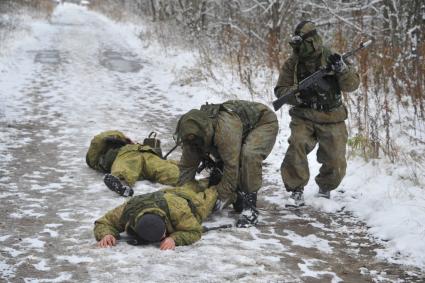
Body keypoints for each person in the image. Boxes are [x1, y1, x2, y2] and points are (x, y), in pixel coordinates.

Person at [274, 21, 360, 207]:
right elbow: (280, 90)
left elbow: (352, 85)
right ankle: (296, 189)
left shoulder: (334, 58)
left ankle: (325, 189)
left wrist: (342, 70)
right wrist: (298, 95)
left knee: (336, 160)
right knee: (297, 145)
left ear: (312, 41)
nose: (298, 48)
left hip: (332, 116)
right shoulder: (293, 63)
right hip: (303, 115)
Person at [174, 100, 278, 228]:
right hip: (236, 131)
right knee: (220, 169)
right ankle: (237, 194)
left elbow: (231, 167)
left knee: (249, 155)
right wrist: (182, 196)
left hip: (263, 122)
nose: (192, 144)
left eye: (194, 141)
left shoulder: (224, 131)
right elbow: (186, 168)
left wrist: (218, 197)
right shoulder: (193, 135)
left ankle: (250, 208)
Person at [94, 179, 217, 249]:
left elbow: (195, 231)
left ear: (164, 222)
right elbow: (104, 222)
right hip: (165, 194)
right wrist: (107, 234)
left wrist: (174, 239)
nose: (164, 237)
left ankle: (218, 182)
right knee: (191, 185)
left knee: (211, 196)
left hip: (188, 201)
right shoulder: (128, 210)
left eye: (163, 235)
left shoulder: (178, 212)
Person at [86, 130, 179, 197]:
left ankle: (185, 180)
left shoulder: (134, 147)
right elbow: (96, 149)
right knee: (126, 167)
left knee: (166, 169)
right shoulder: (121, 151)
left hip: (146, 154)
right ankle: (121, 183)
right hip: (131, 155)